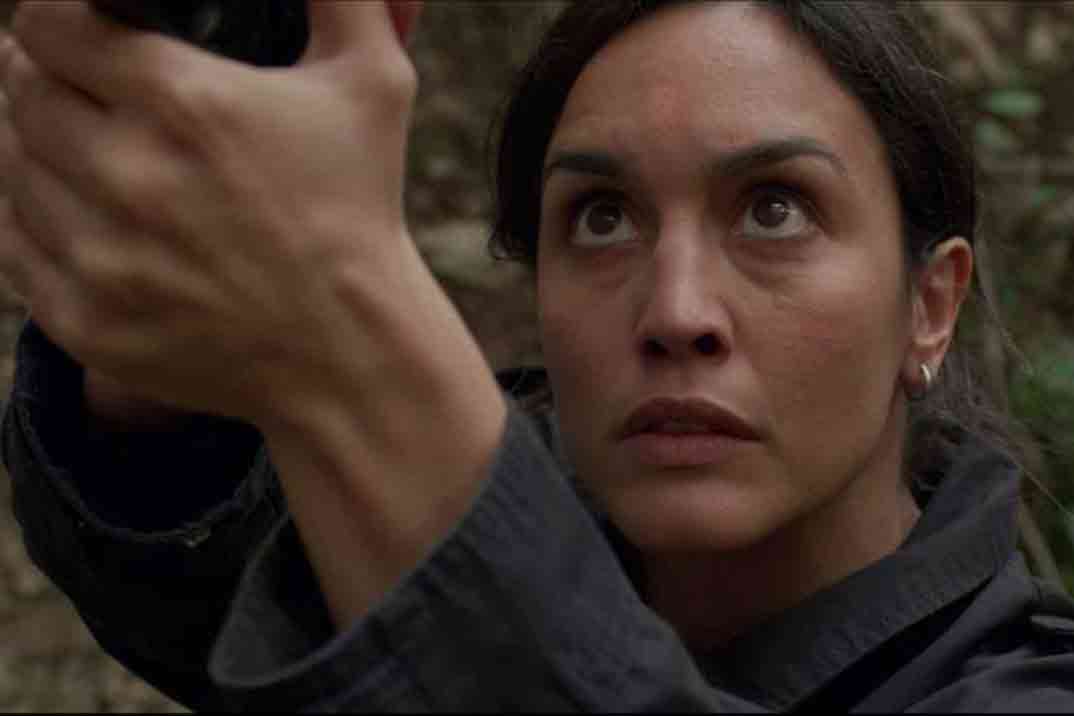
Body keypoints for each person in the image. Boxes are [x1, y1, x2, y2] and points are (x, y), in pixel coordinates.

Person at [0, 0, 1072, 710]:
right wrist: (173, 314)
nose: (677, 311)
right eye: (602, 217)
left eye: (775, 209)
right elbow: (208, 575)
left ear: (930, 306)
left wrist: (348, 337)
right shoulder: (518, 480)